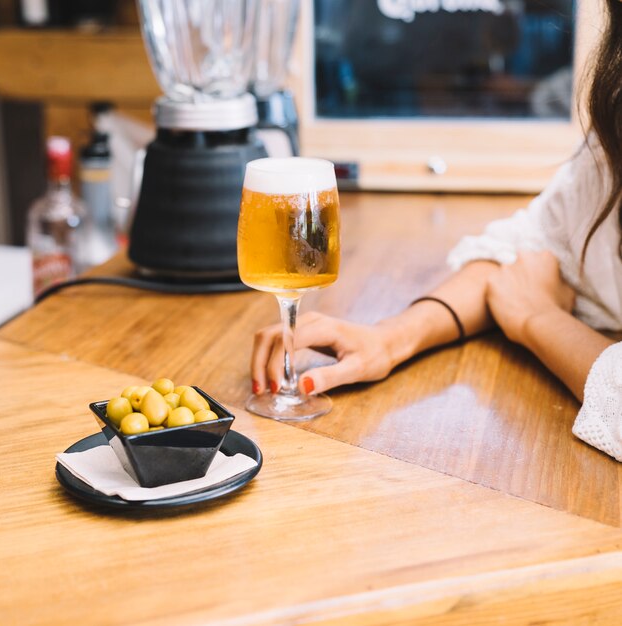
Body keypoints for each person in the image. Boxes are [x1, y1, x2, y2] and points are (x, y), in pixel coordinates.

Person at [250, 0, 622, 461]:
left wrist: (537, 320)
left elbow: (521, 292)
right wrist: (388, 339)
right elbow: (517, 254)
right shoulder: (610, 144)